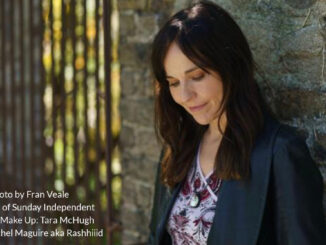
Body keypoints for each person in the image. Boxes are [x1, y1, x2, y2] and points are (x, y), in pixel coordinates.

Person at [147, 1, 326, 245]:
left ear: (230, 65)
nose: (185, 96)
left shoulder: (280, 154)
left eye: (196, 76)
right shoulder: (177, 148)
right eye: (174, 83)